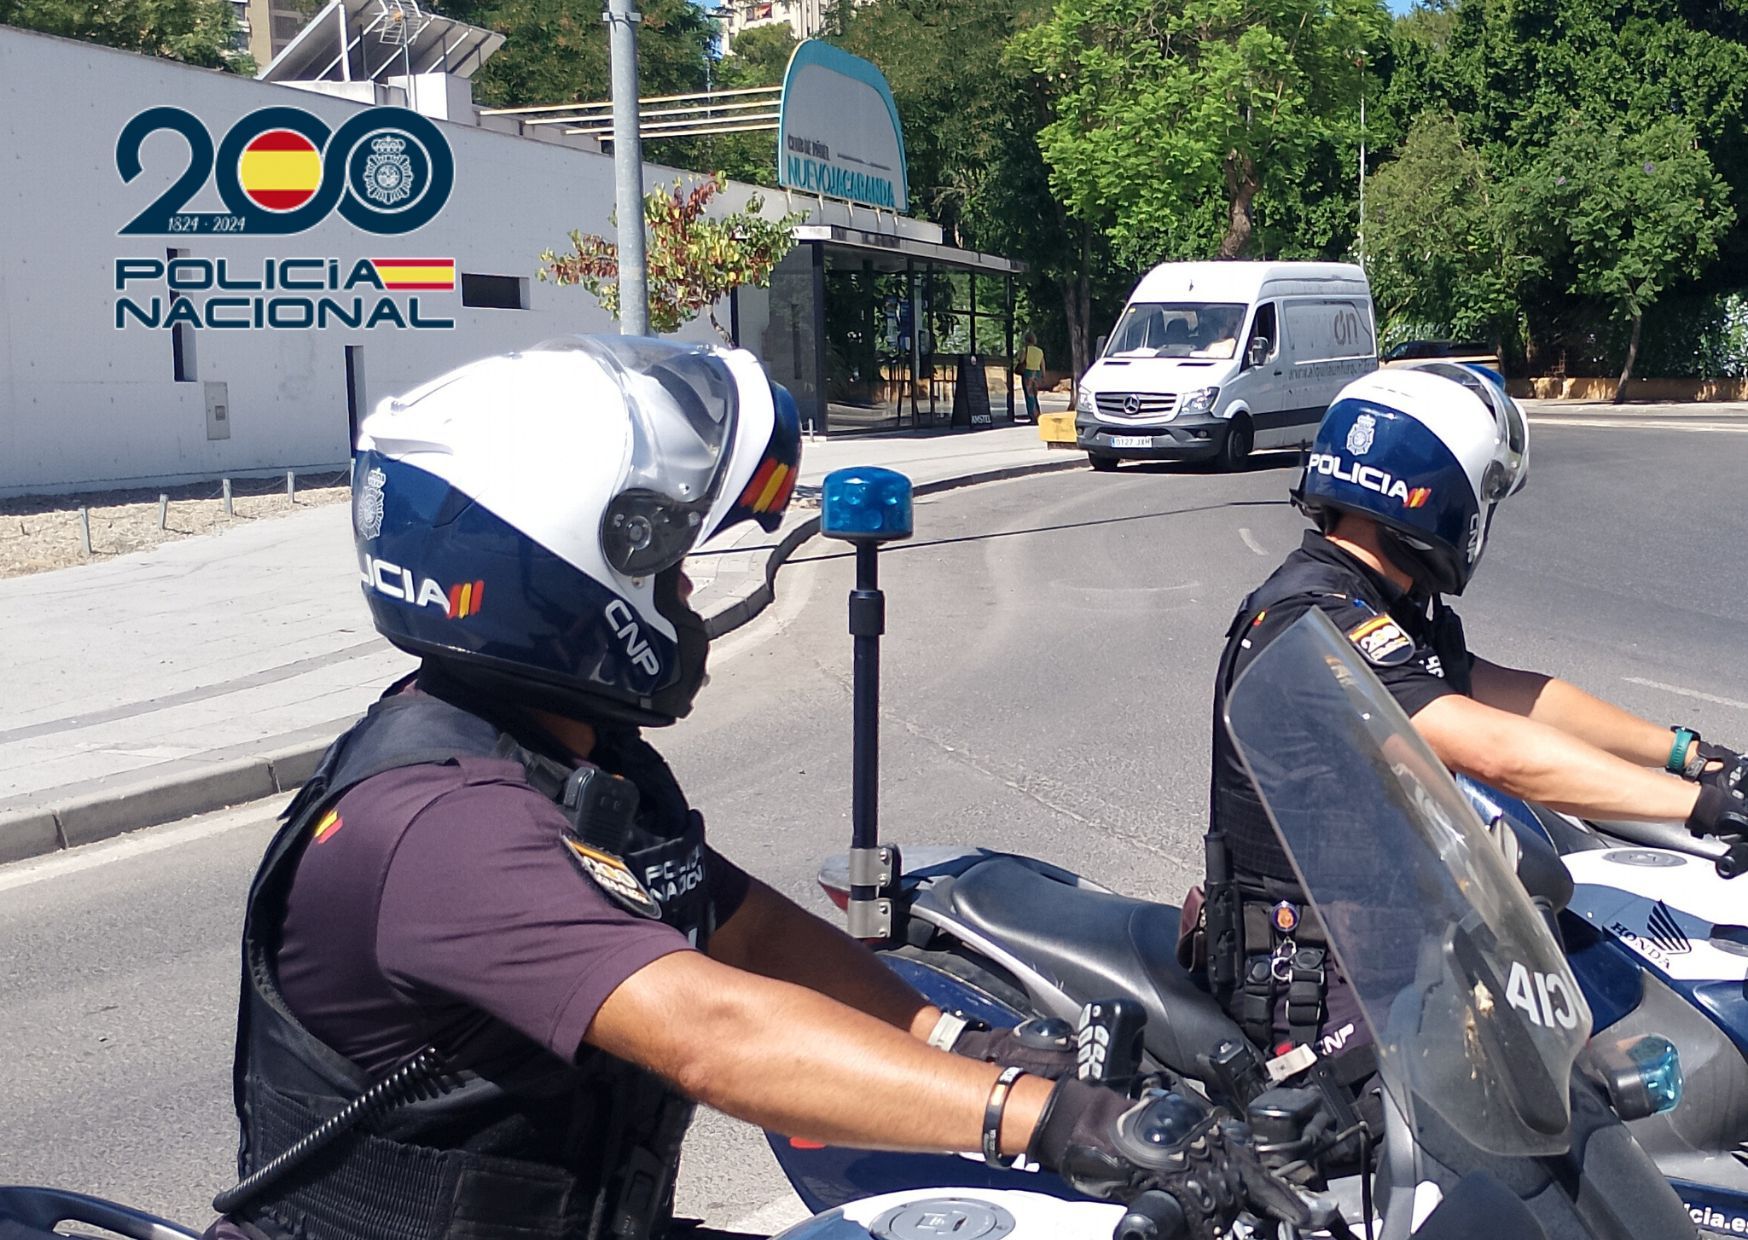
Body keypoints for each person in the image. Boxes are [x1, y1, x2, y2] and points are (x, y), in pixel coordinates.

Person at [207, 336, 1267, 1240]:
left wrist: (958, 1039)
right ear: (558, 572)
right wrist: (1046, 1118)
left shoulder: (573, 760)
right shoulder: (446, 824)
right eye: (665, 567)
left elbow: (742, 932)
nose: (685, 593)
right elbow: (711, 1030)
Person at [1204, 363, 1747, 1066]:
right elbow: (1492, 750)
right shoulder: (1313, 618)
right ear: (1435, 491)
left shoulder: (1375, 598)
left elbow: (1514, 695)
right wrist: (1700, 807)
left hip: (1388, 940)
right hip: (1316, 985)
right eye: (1484, 492)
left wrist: (1692, 756)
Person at [1018, 331, 1045, 422]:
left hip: (1028, 373)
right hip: (1037, 373)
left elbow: (1021, 361)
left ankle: (1032, 416)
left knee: (1029, 395)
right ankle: (1038, 414)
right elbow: (1042, 364)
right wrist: (1043, 375)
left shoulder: (1025, 350)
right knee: (1035, 394)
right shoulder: (1040, 351)